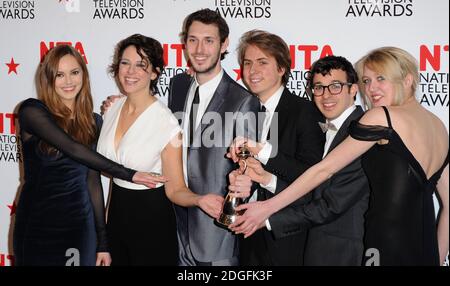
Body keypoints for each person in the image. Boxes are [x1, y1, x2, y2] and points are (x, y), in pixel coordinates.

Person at [230, 47, 449, 266]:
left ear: (408, 79)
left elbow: (324, 170)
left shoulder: (381, 116)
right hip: (423, 246)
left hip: (383, 246)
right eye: (367, 80)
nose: (372, 89)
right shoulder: (438, 126)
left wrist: (267, 208)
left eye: (381, 78)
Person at [14, 45, 158, 266]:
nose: (68, 81)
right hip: (37, 226)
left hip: (79, 227)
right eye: (59, 75)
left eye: (74, 72)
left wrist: (102, 243)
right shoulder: (32, 111)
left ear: (83, 74)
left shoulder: (92, 122)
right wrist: (129, 174)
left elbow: (93, 182)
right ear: (48, 79)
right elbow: (72, 148)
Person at [96, 34, 224, 266]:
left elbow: (175, 189)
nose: (130, 71)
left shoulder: (167, 123)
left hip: (151, 223)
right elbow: (115, 179)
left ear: (154, 72)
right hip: (115, 220)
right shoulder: (112, 108)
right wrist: (104, 232)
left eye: (140, 65)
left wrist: (199, 200)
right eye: (125, 63)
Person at [235, 55, 369, 266]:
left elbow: (329, 205)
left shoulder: (361, 133)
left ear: (353, 89)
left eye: (335, 86)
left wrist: (267, 218)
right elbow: (313, 192)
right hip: (316, 250)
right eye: (319, 87)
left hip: (344, 253)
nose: (326, 95)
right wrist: (267, 179)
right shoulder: (329, 129)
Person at [168, 9, 260, 266]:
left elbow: (248, 169)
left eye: (209, 40)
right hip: (174, 223)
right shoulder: (178, 86)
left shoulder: (243, 101)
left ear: (224, 44)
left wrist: (241, 193)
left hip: (215, 231)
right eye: (193, 40)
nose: (199, 49)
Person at [227, 30, 324, 266]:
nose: (252, 71)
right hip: (248, 237)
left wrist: (264, 164)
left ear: (282, 69)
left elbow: (312, 176)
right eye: (247, 63)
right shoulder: (243, 111)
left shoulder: (305, 111)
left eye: (262, 62)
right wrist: (240, 180)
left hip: (287, 237)